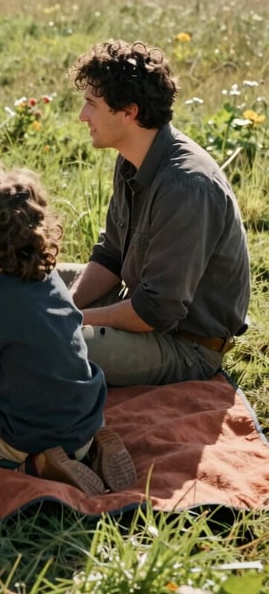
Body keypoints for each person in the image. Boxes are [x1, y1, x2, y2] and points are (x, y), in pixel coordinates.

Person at [0, 167, 136, 496]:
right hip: (84, 417)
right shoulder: (54, 280)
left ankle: (29, 466)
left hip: (29, 433)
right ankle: (86, 449)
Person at [62, 39, 250, 386]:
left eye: (91, 104)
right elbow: (111, 255)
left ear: (129, 112)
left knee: (49, 344)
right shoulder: (131, 157)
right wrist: (66, 306)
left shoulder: (186, 186)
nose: (82, 116)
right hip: (137, 304)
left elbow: (156, 310)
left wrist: (68, 322)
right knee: (26, 283)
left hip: (185, 344)